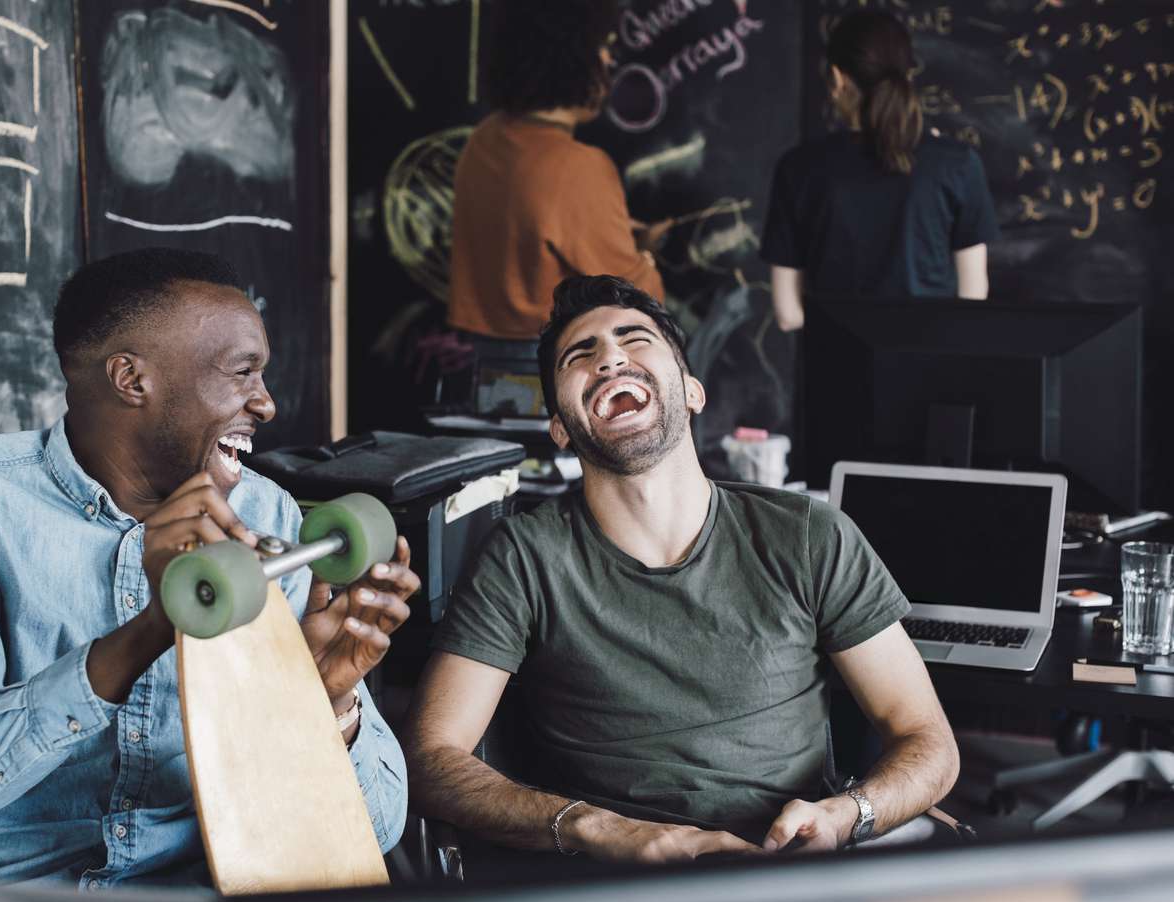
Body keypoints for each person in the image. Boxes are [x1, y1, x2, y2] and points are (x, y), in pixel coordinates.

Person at [0, 249, 418, 887]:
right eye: (242, 372)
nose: (266, 404)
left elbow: (377, 830)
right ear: (132, 380)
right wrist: (150, 629)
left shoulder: (267, 515)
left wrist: (327, 704)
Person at [404, 275, 959, 862]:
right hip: (618, 890)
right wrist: (599, 829)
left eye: (634, 339)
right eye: (581, 353)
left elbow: (928, 741)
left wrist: (845, 817)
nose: (611, 356)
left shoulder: (808, 535)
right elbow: (430, 757)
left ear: (693, 392)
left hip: (790, 866)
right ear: (561, 429)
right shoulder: (521, 559)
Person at [761, 10, 998, 332]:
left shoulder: (798, 168)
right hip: (932, 369)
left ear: (837, 79)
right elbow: (974, 295)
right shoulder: (957, 163)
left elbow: (788, 315)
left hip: (834, 368)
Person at [447, 0, 668, 346]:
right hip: (552, 371)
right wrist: (646, 254)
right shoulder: (578, 167)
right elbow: (636, 301)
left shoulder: (484, 140)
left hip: (480, 368)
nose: (609, 60)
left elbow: (529, 233)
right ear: (572, 60)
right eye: (602, 47)